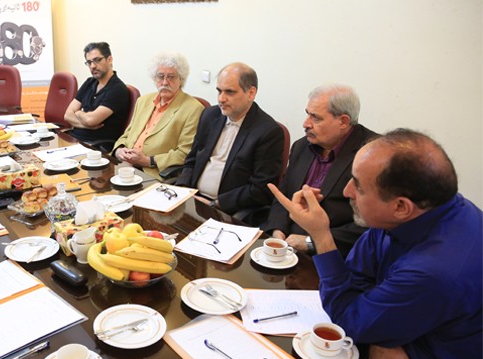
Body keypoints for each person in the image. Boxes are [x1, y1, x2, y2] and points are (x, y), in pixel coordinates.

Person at [269, 129, 482, 359]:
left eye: (358, 186)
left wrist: (321, 235)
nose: (347, 191)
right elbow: (357, 276)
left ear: (400, 207)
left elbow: (349, 317)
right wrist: (384, 338)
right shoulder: (419, 209)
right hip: (408, 334)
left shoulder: (434, 270)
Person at [263, 84, 377, 256]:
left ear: (343, 121)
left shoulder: (371, 156)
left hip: (335, 254)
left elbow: (371, 225)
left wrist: (311, 242)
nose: (306, 124)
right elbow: (283, 195)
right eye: (307, 114)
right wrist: (277, 230)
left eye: (316, 118)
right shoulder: (301, 146)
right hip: (287, 246)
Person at [176, 62, 284, 217]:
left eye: (230, 92)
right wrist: (183, 189)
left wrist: (215, 204)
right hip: (192, 198)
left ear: (251, 93)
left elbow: (260, 189)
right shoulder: (210, 115)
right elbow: (192, 159)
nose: (221, 99)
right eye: (219, 91)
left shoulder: (268, 133)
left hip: (226, 210)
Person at [112, 52, 204, 179]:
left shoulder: (193, 109)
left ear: (181, 79)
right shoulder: (143, 101)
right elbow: (127, 134)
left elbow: (184, 153)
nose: (165, 82)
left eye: (171, 77)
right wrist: (119, 150)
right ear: (154, 78)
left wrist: (148, 160)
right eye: (160, 76)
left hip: (153, 173)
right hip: (125, 166)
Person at [64, 42, 129, 142]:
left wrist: (78, 113)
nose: (93, 66)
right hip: (74, 140)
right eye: (89, 62)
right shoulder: (89, 82)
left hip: (96, 146)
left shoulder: (117, 89)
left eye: (97, 60)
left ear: (109, 59)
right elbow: (67, 115)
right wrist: (87, 125)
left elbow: (91, 120)